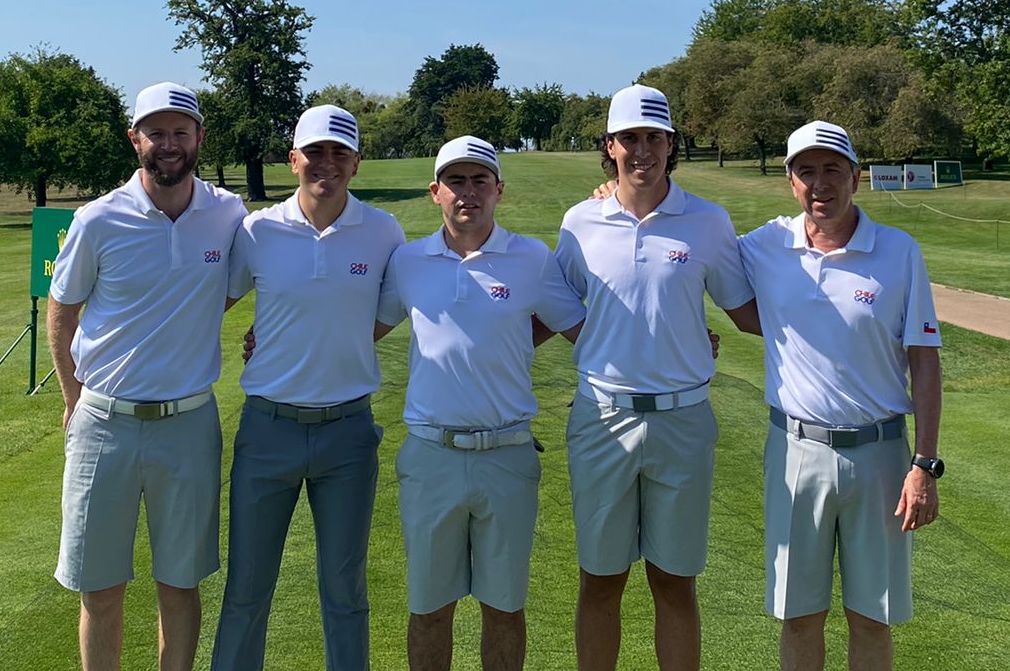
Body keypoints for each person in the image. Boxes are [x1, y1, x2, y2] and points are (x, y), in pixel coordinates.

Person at [554, 84, 760, 671]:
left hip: (683, 421)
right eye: (630, 139)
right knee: (601, 580)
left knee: (675, 582)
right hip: (602, 418)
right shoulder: (581, 222)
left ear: (671, 144)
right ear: (610, 146)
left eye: (654, 137)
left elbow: (745, 312)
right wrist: (616, 339)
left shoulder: (708, 221)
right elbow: (558, 307)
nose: (642, 150)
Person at [47, 81, 248, 671]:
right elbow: (62, 309)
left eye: (180, 131)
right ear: (135, 138)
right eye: (156, 132)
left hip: (188, 425)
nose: (169, 143)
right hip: (104, 423)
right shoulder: (98, 218)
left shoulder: (228, 214)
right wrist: (72, 397)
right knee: (100, 587)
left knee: (180, 584)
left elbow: (246, 283)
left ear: (199, 137)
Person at [374, 135, 587, 671]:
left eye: (479, 181)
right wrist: (273, 340)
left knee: (505, 608)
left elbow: (586, 330)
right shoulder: (407, 261)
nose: (467, 192)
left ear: (499, 190)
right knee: (428, 609)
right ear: (435, 192)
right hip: (431, 456)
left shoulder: (531, 258)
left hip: (507, 456)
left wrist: (683, 340)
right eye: (455, 181)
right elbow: (358, 329)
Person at [737, 121, 943, 671]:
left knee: (872, 617)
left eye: (832, 169)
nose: (820, 183)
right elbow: (690, 261)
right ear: (791, 182)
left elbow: (924, 359)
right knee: (799, 616)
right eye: (806, 171)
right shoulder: (765, 245)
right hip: (795, 453)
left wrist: (924, 464)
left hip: (882, 457)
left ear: (856, 176)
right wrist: (613, 191)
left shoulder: (898, 251)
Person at [211, 104, 406, 671]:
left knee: (345, 591)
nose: (327, 163)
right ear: (293, 158)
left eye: (340, 153)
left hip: (348, 433)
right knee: (247, 588)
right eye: (315, 151)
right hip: (267, 429)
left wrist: (324, 336)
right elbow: (212, 302)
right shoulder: (258, 230)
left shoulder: (383, 232)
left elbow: (385, 312)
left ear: (356, 163)